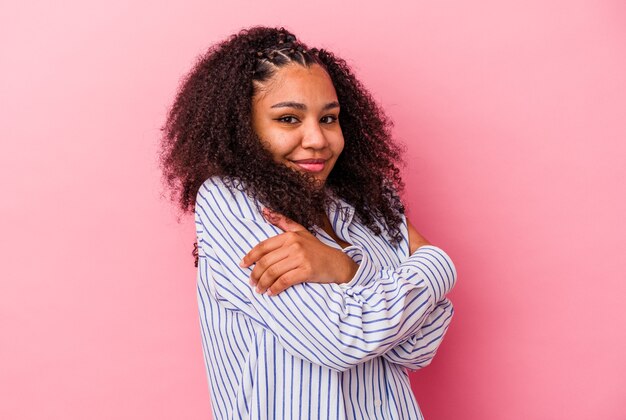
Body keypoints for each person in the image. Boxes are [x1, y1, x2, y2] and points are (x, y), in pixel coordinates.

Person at [159, 26, 456, 420]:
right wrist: (440, 265)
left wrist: (345, 268)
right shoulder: (230, 199)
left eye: (329, 118)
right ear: (242, 127)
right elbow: (338, 341)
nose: (317, 139)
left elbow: (418, 348)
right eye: (288, 118)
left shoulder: (367, 199)